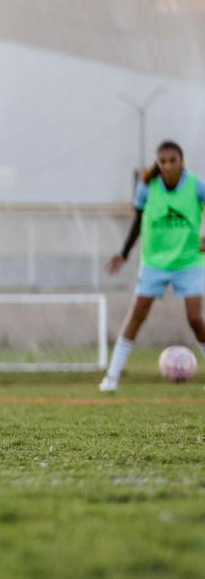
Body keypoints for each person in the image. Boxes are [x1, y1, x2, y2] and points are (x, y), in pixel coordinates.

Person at [100, 140, 205, 392]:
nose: (168, 165)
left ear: (182, 162)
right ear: (158, 163)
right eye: (163, 161)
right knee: (137, 314)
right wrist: (124, 254)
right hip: (155, 263)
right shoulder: (147, 187)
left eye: (173, 160)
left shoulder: (196, 186)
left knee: (194, 318)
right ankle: (111, 378)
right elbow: (137, 222)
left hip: (189, 261)